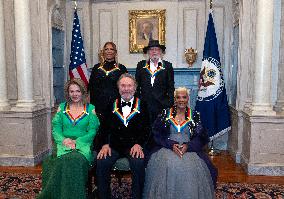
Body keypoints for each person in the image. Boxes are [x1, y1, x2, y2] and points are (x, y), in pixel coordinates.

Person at [143, 87, 217, 199]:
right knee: (168, 164)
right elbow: (157, 134)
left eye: (184, 97)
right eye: (178, 97)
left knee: (190, 167)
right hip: (167, 146)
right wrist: (171, 145)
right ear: (174, 99)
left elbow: (201, 137)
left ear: (188, 98)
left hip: (189, 148)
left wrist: (188, 146)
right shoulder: (165, 114)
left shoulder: (195, 115)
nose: (181, 100)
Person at [37, 78, 100, 199]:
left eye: (78, 91)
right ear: (68, 93)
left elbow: (92, 131)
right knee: (61, 160)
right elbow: (56, 129)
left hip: (83, 144)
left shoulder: (91, 109)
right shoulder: (62, 108)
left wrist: (78, 142)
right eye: (72, 91)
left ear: (83, 92)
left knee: (74, 159)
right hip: (63, 143)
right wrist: (64, 140)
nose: (75, 94)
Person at [96, 73, 150, 199]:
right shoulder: (111, 104)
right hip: (114, 146)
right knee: (101, 162)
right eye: (123, 85)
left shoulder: (143, 105)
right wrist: (104, 144)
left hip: (133, 146)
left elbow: (147, 129)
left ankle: (137, 196)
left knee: (138, 163)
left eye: (129, 85)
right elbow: (103, 128)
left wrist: (139, 144)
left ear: (135, 88)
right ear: (118, 88)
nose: (126, 88)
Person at [88, 42, 127, 149]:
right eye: (106, 49)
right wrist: (92, 108)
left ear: (115, 52)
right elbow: (91, 89)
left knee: (115, 134)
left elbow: (126, 89)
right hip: (99, 108)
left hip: (116, 107)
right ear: (103, 52)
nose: (109, 51)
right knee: (99, 134)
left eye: (111, 49)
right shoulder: (96, 68)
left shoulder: (121, 68)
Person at [135, 40, 175, 125]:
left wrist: (169, 103)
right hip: (145, 106)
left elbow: (171, 87)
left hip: (162, 105)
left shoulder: (168, 66)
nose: (154, 51)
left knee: (161, 131)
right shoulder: (141, 65)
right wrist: (139, 100)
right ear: (148, 52)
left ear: (161, 52)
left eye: (156, 49)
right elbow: (136, 86)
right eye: (151, 49)